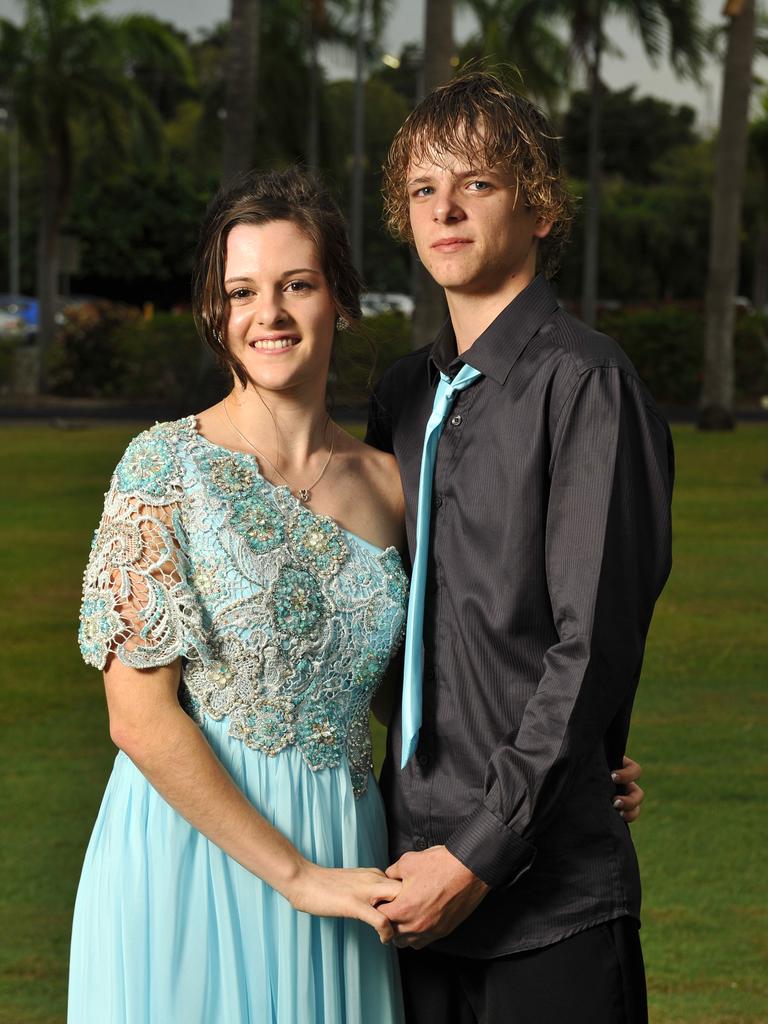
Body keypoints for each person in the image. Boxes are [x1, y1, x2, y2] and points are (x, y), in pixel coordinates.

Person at [365, 72, 674, 1024]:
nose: (444, 209)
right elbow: (386, 622)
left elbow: (592, 649)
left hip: (547, 901)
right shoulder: (402, 395)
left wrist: (479, 851)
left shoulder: (589, 385)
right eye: (423, 189)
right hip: (405, 889)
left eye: (477, 184)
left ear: (540, 209)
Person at [69, 169, 410, 1024]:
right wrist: (299, 879)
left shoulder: (395, 488)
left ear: (341, 300)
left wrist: (558, 768)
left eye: (298, 284)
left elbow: (415, 695)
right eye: (243, 292)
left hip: (343, 843)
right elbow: (138, 718)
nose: (272, 315)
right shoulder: (164, 467)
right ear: (216, 314)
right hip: (188, 858)